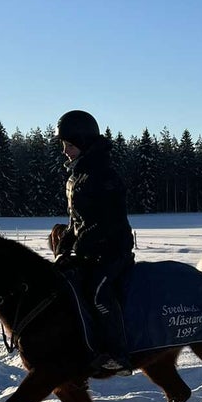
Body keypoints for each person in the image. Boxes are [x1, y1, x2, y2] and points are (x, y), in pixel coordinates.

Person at [53, 109, 134, 375]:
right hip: (87, 253)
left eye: (69, 145)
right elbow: (76, 222)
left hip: (112, 252)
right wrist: (64, 248)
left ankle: (117, 354)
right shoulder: (75, 178)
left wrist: (81, 250)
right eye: (63, 145)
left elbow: (107, 223)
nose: (65, 151)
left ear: (84, 143)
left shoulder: (103, 176)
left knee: (98, 290)